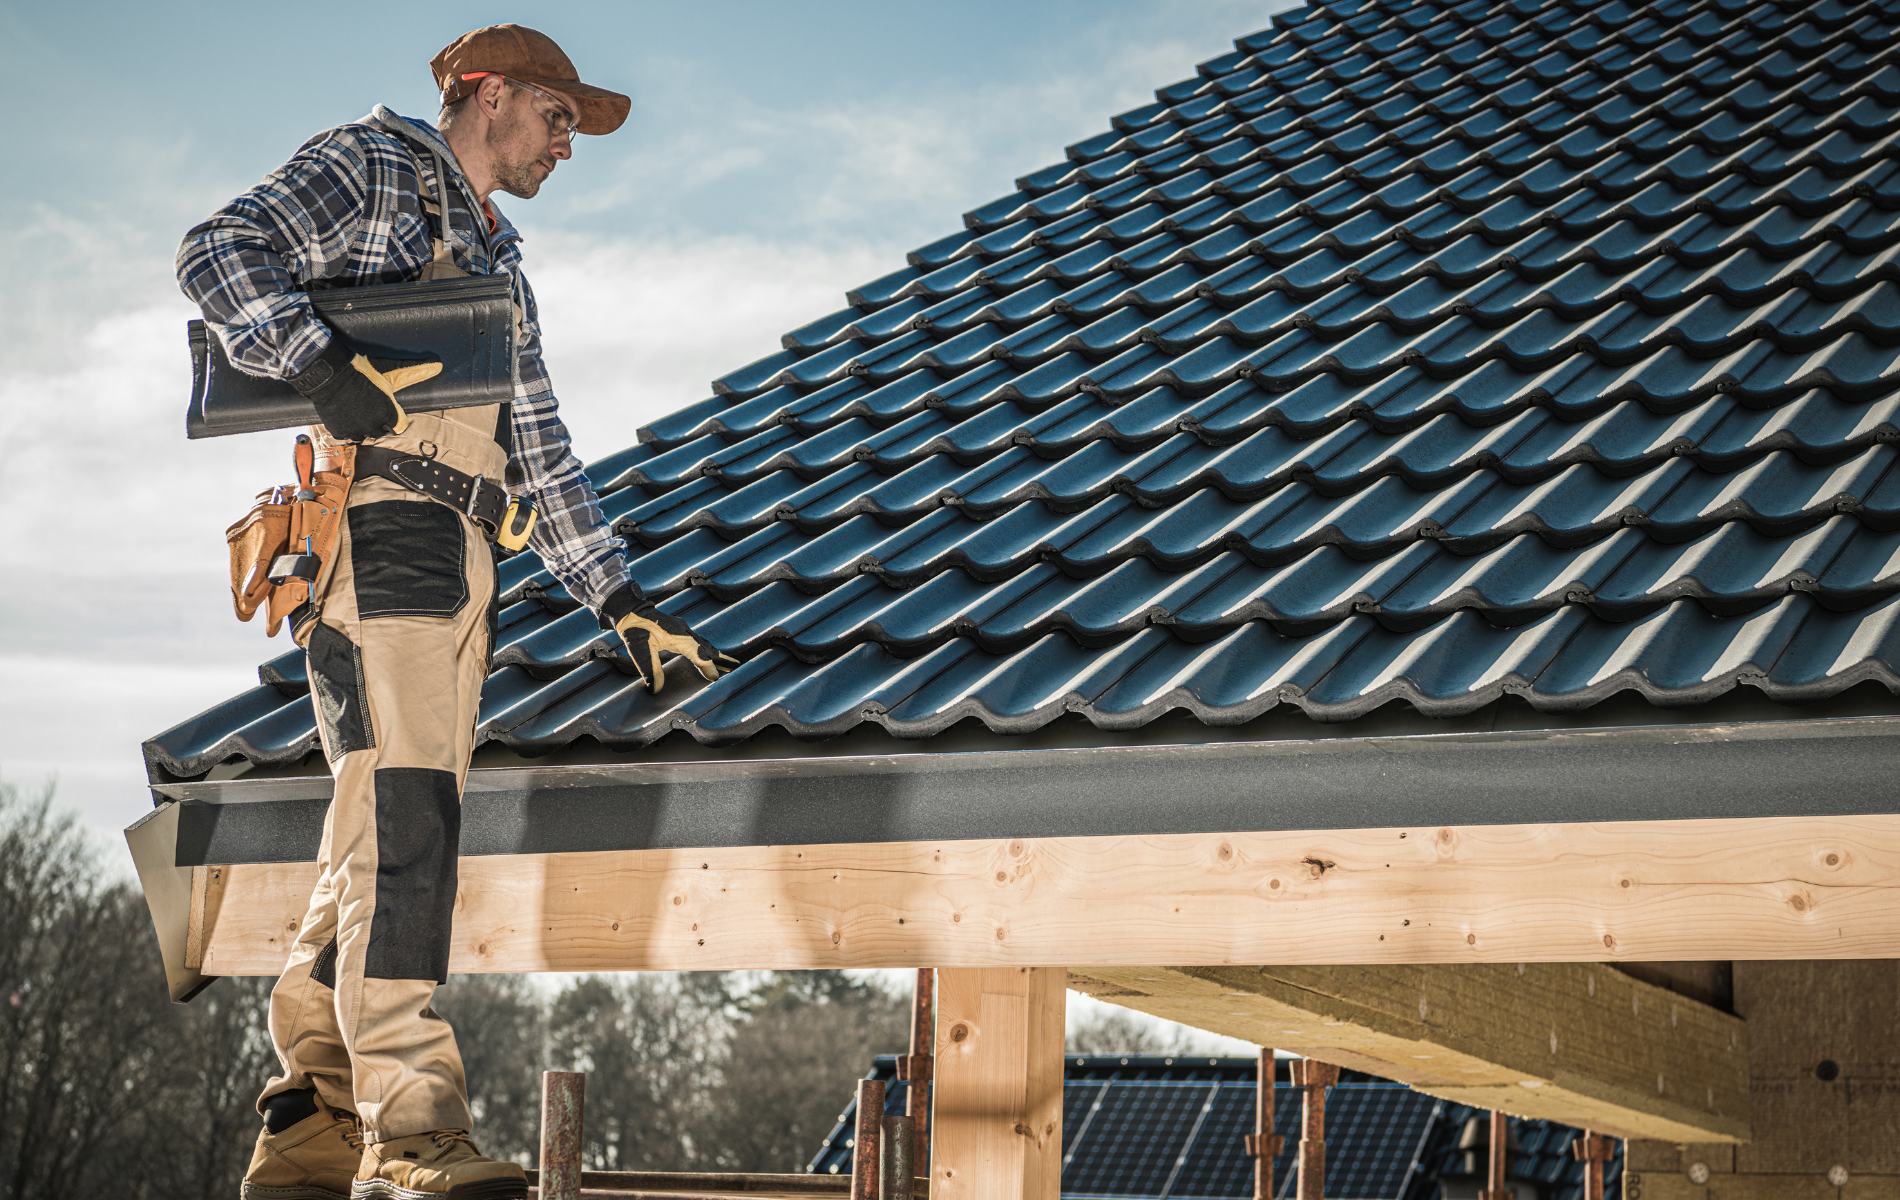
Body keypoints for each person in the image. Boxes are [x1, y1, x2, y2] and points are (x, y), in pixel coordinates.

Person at [177, 24, 730, 1200]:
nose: (570, 145)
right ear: (487, 96)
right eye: (560, 117)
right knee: (412, 821)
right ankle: (412, 1125)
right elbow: (217, 252)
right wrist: (318, 364)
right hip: (385, 537)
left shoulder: (499, 261)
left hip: (461, 552)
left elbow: (541, 445)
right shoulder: (375, 167)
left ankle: (312, 1118)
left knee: (372, 829)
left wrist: (620, 600)